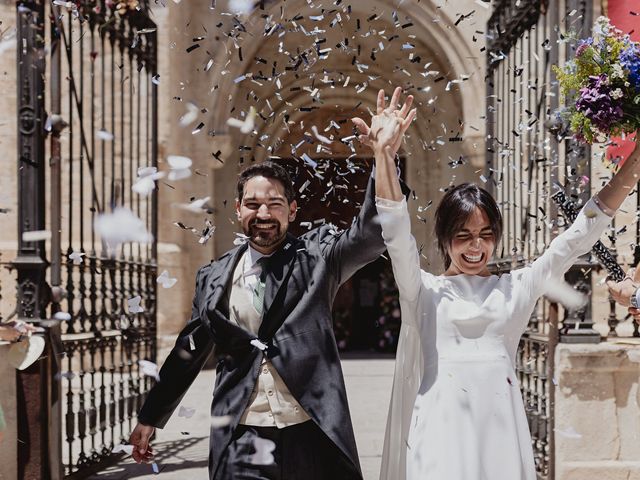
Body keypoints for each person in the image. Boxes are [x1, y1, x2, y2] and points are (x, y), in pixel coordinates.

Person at [352, 87, 640, 480]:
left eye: (486, 234)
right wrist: (384, 155)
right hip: (439, 429)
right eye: (463, 234)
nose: (476, 245)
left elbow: (583, 230)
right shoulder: (422, 290)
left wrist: (635, 160)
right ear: (444, 238)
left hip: (500, 431)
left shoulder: (516, 287)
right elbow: (396, 229)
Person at [127, 133, 412, 478]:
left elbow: (370, 234)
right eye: (252, 204)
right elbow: (188, 352)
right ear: (238, 209)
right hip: (242, 435)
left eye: (275, 204)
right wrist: (150, 416)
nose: (263, 213)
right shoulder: (213, 276)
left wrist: (384, 157)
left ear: (292, 211)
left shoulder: (318, 257)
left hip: (310, 432)